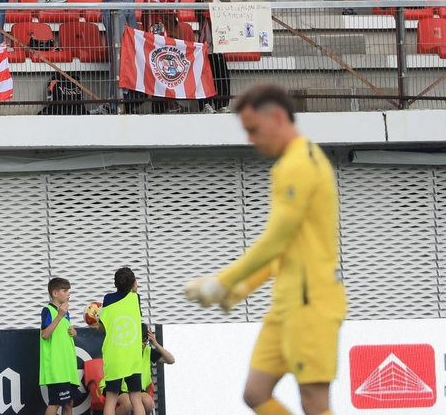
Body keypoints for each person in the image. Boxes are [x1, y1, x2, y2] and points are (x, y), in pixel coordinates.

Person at [183, 84, 347, 415]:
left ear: (276, 117)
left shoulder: (298, 165)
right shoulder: (293, 162)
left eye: (253, 130)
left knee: (314, 404)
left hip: (311, 305)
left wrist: (223, 282)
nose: (250, 139)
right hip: (286, 305)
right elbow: (284, 249)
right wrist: (243, 288)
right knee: (255, 393)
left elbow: (273, 240)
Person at [98, 266, 174, 415]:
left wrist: (96, 323)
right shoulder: (135, 299)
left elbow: (103, 328)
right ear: (133, 283)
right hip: (132, 356)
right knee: (136, 398)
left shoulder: (108, 299)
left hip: (115, 356)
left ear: (115, 283)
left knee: (111, 399)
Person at [40, 277, 83, 415]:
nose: (68, 294)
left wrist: (73, 332)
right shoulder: (48, 311)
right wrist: (59, 316)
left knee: (69, 402)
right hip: (56, 369)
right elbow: (45, 334)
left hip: (67, 369)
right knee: (56, 402)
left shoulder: (65, 313)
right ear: (55, 293)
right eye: (65, 291)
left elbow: (62, 334)